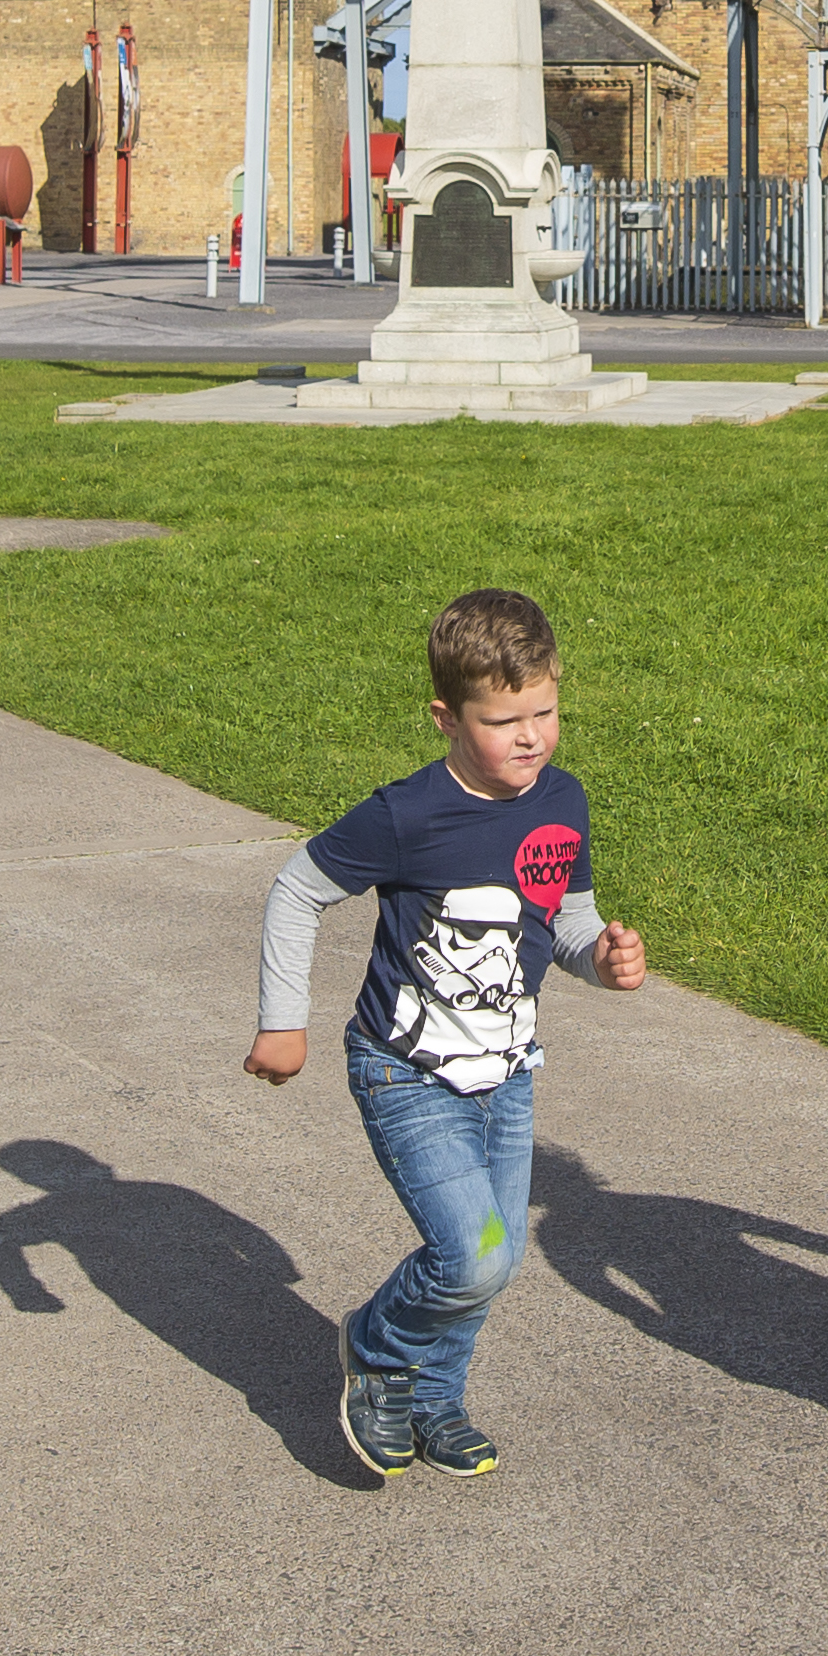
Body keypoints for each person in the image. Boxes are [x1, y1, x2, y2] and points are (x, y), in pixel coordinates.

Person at [242, 589, 649, 1483]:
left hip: (507, 1071)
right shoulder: (407, 814)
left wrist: (603, 958)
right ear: (447, 718)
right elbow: (297, 889)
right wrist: (283, 1021)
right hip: (405, 1068)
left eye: (545, 710)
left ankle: (436, 1399)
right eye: (504, 720)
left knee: (494, 1260)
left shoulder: (563, 802)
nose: (532, 736)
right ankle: (378, 1350)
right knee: (474, 1251)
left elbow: (566, 920)